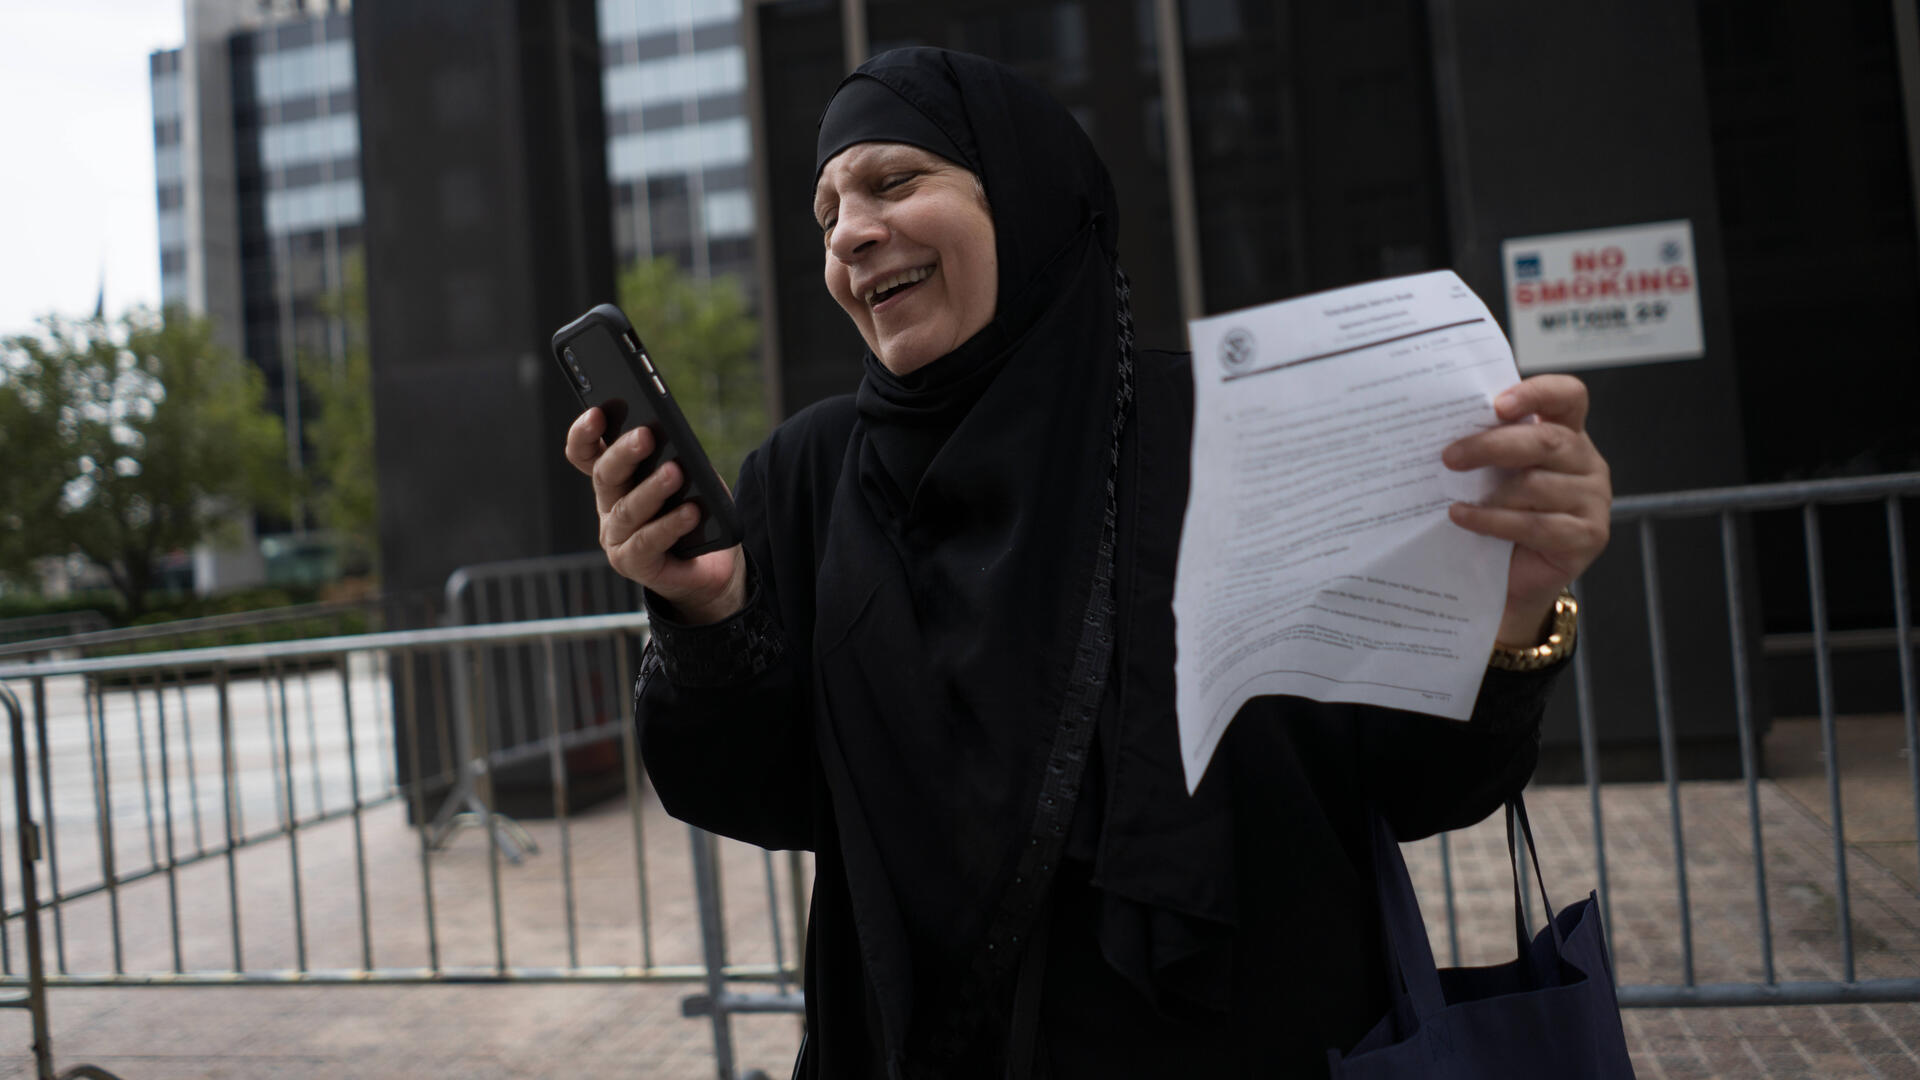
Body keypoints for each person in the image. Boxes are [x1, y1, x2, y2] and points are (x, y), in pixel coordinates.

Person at [565, 48, 1612, 1080]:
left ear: (1026, 196)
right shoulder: (806, 475)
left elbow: (1421, 780)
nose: (851, 233)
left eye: (894, 181)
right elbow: (754, 793)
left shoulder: (1223, 435)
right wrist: (704, 619)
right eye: (827, 211)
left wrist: (1518, 609)